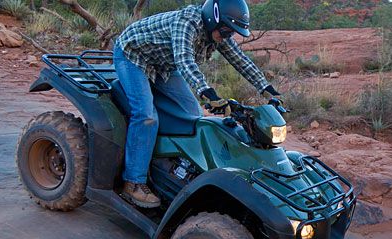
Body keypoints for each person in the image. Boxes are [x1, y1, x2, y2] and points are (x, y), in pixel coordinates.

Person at [113, 0, 280, 208]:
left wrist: (268, 90)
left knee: (192, 114)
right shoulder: (188, 22)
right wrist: (207, 93)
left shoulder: (219, 33)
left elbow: (240, 60)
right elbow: (184, 61)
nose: (228, 36)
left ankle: (167, 165)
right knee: (146, 116)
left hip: (164, 63)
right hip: (133, 56)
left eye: (231, 33)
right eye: (227, 31)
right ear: (214, 19)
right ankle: (134, 182)